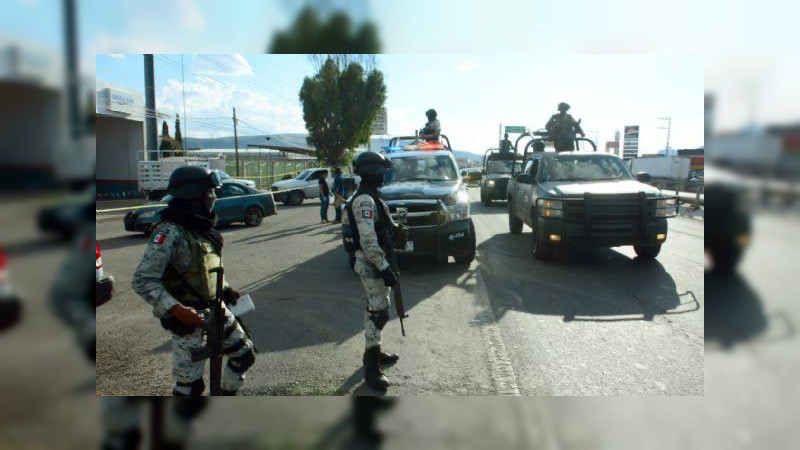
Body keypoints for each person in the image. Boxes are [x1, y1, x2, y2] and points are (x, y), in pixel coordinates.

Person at [132, 166, 255, 396]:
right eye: (208, 192)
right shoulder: (170, 232)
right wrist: (176, 310)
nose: (212, 197)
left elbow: (206, 266)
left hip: (216, 309)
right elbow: (142, 280)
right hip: (188, 320)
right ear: (192, 195)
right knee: (190, 387)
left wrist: (225, 288)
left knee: (244, 355)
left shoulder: (201, 228)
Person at [345, 152, 403, 391]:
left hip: (378, 261)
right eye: (380, 172)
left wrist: (396, 230)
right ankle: (371, 366)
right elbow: (368, 242)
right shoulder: (364, 201)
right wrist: (385, 268)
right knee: (378, 311)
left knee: (378, 306)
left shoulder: (373, 198)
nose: (383, 176)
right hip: (371, 263)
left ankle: (375, 351)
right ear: (370, 173)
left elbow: (381, 228)